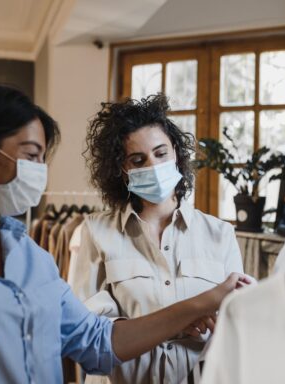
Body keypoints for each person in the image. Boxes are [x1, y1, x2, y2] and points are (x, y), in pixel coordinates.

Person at [0, 84, 249, 384]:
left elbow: (98, 342)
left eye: (42, 158)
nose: (39, 171)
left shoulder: (30, 256)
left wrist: (204, 303)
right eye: (29, 155)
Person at [70, 94, 244, 384]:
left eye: (160, 154)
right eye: (138, 160)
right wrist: (180, 321)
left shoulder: (220, 234)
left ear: (175, 152)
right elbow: (86, 331)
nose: (152, 165)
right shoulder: (95, 232)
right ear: (122, 171)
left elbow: (234, 325)